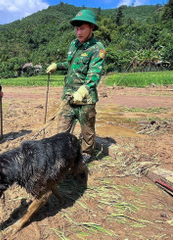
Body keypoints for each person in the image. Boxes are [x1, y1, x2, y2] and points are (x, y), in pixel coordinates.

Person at [46, 9, 106, 163]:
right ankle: (61, 154)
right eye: (76, 29)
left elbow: (94, 73)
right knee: (62, 129)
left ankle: (87, 153)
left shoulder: (97, 48)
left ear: (91, 28)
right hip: (68, 95)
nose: (78, 32)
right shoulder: (74, 44)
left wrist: (84, 90)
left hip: (85, 99)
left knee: (87, 130)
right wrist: (57, 66)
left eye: (82, 28)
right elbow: (71, 65)